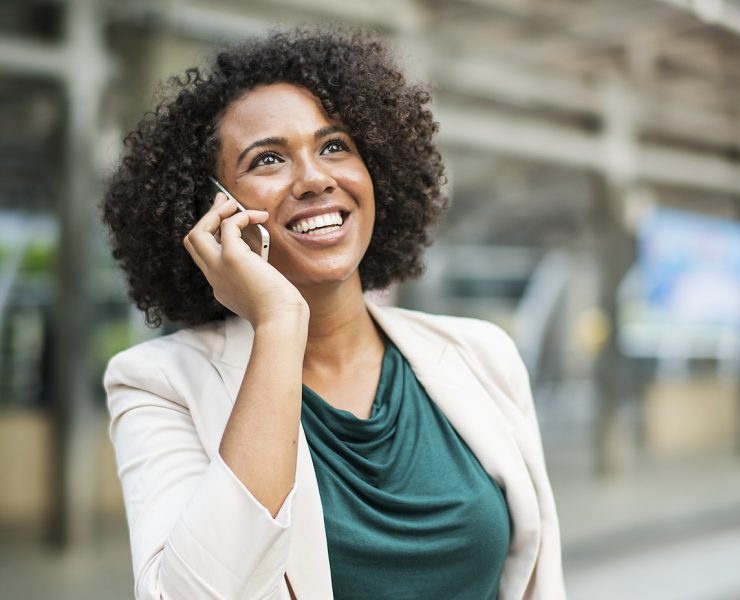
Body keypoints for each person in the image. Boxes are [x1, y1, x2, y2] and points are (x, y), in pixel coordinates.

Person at [102, 28, 564, 600]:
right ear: (213, 208)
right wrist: (277, 324)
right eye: (268, 158)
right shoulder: (157, 384)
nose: (316, 178)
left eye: (335, 146)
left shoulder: (480, 355)